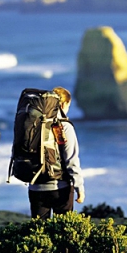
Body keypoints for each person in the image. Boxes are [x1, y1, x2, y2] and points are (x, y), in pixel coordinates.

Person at [28, 86, 85, 219]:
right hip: (60, 187)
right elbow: (71, 160)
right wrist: (79, 187)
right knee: (63, 233)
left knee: (39, 233)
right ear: (63, 104)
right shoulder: (64, 126)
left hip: (35, 187)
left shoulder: (34, 124)